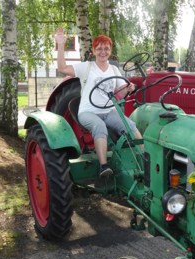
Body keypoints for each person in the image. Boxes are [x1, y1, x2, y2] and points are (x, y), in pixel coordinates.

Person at [55, 28, 143, 177]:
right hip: (88, 112)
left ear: (110, 51)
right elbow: (62, 68)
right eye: (99, 48)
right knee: (99, 126)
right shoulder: (86, 67)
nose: (103, 51)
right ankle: (104, 166)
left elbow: (119, 94)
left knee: (130, 126)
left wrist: (128, 89)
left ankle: (144, 160)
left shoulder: (114, 69)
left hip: (109, 111)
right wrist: (61, 45)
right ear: (94, 51)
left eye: (106, 48)